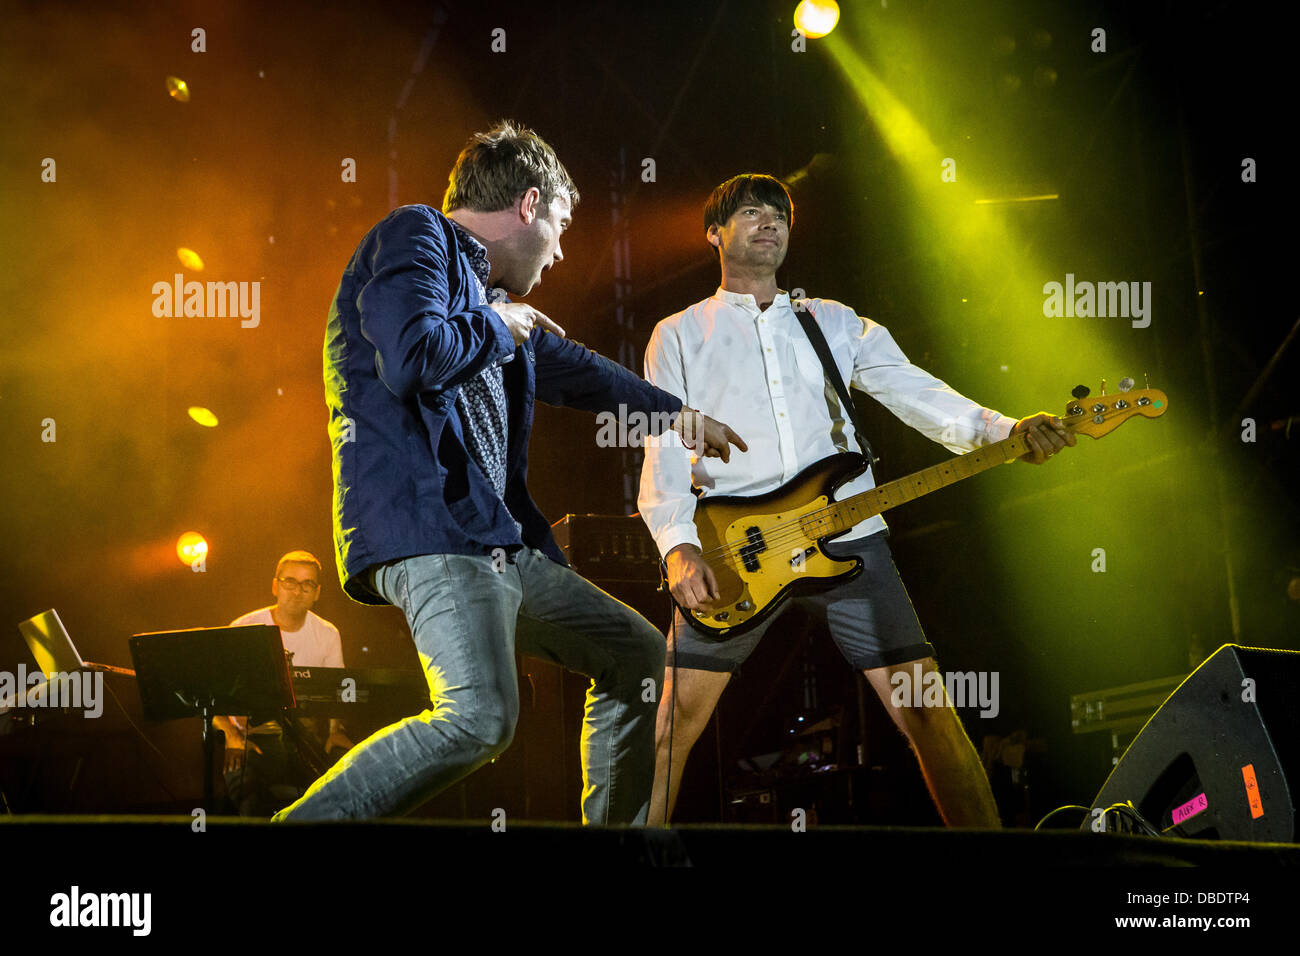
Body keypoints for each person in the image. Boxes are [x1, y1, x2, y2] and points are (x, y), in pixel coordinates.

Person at [272, 121, 745, 824]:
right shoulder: (416, 237)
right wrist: (503, 326)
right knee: (479, 718)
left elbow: (574, 368)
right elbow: (409, 358)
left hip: (496, 542)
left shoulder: (490, 302)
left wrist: (675, 413)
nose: (559, 250)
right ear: (528, 205)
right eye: (559, 223)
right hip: (430, 528)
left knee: (639, 659)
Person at [638, 173, 1075, 827]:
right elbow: (663, 447)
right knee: (674, 720)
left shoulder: (833, 322)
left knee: (927, 708)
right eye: (751, 212)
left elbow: (916, 391)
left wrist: (1005, 431)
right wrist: (677, 546)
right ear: (713, 233)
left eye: (780, 214)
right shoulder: (675, 335)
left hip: (851, 537)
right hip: (735, 546)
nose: (770, 222)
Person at [219, 550, 354, 816]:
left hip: (305, 737)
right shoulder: (243, 627)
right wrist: (231, 735)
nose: (297, 591)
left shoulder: (327, 634)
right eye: (290, 581)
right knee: (251, 802)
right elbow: (211, 695)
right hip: (250, 738)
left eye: (307, 584)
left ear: (317, 592)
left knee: (335, 792)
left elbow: (337, 692)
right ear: (275, 586)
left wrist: (335, 730)